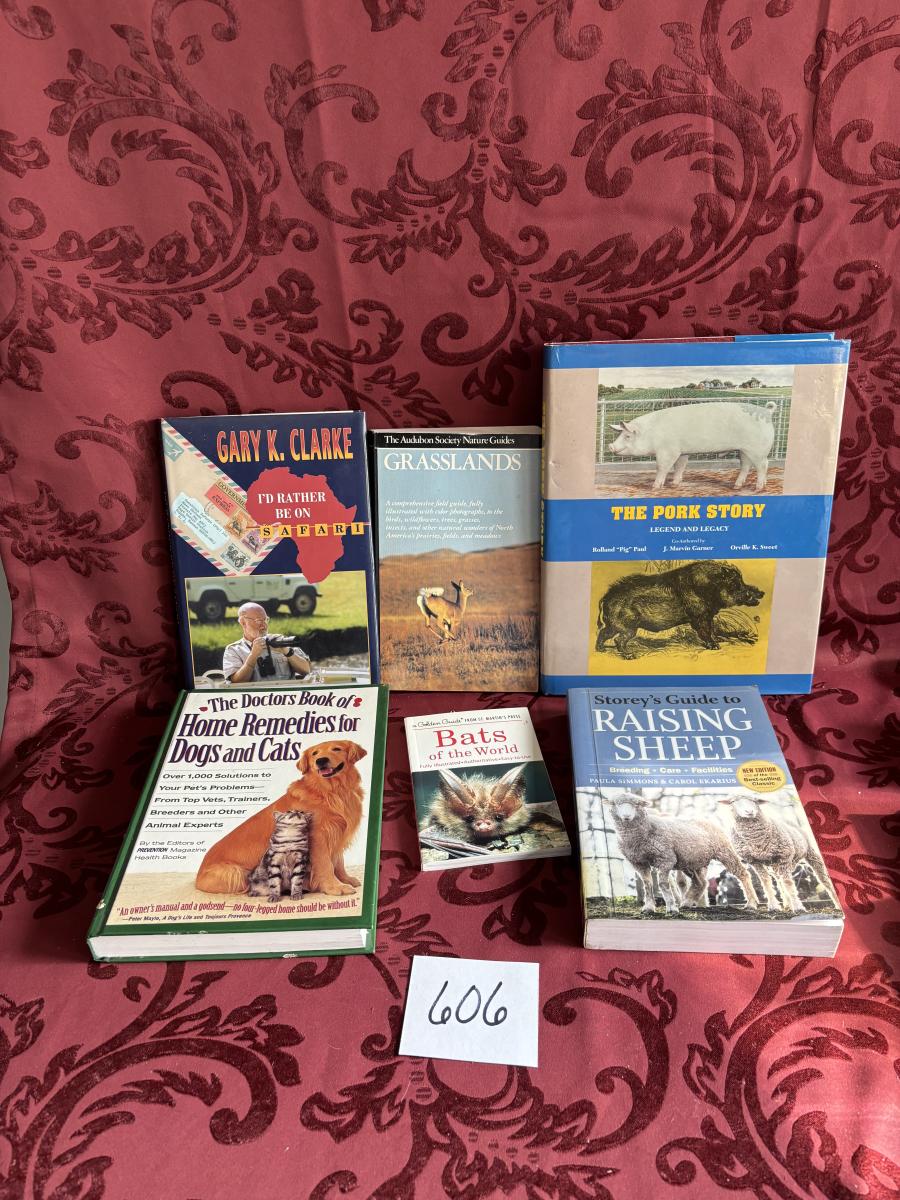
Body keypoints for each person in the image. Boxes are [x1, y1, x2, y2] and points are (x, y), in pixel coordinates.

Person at [222, 602, 311, 684]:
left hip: (287, 695)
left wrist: (287, 652)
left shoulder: (280, 640)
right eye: (258, 621)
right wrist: (253, 656)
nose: (264, 625)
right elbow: (236, 682)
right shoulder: (233, 650)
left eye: (265, 620)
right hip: (255, 696)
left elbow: (307, 670)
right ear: (243, 622)